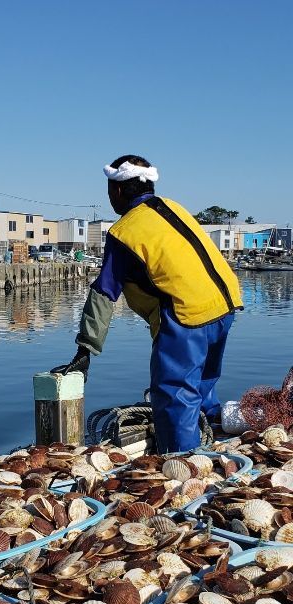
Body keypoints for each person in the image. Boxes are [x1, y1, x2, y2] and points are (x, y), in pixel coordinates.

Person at [52, 155, 243, 453]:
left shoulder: (125, 231)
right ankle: (213, 440)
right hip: (224, 306)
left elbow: (104, 293)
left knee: (174, 396)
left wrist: (84, 350)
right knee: (203, 383)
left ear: (116, 190)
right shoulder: (172, 207)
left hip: (186, 315)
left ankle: (184, 463)